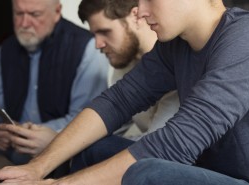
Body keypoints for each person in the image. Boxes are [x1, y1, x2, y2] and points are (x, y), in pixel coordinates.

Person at [0, 0, 249, 184]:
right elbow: (115, 102)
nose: (140, 11)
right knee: (93, 148)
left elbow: (176, 144)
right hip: (213, 175)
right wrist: (36, 168)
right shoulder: (173, 48)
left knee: (147, 172)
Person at [0, 0, 108, 165]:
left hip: (56, 143)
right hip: (10, 140)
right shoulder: (6, 50)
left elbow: (85, 120)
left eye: (35, 14)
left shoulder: (88, 48)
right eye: (19, 14)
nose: (24, 23)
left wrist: (23, 133)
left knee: (22, 155)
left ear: (57, 12)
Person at [67, 0, 179, 172]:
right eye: (95, 34)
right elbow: (114, 124)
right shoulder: (124, 66)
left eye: (105, 32)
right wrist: (58, 139)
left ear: (136, 16)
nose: (98, 44)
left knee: (91, 149)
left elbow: (157, 146)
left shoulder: (174, 64)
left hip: (172, 162)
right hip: (148, 156)